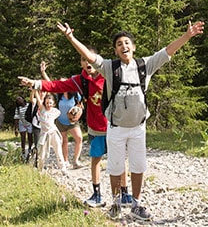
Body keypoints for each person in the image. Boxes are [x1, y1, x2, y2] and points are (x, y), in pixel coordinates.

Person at [57, 20, 204, 221]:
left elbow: (167, 51)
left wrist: (187, 36)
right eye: (119, 44)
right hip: (116, 128)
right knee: (115, 167)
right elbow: (91, 57)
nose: (123, 46)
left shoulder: (145, 65)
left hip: (138, 128)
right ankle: (116, 202)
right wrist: (70, 37)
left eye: (127, 43)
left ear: (133, 47)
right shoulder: (110, 67)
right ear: (116, 51)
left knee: (138, 166)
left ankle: (135, 203)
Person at [19, 51, 133, 209]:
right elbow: (56, 86)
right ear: (81, 63)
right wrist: (35, 83)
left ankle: (125, 193)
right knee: (96, 160)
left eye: (90, 60)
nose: (88, 64)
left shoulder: (109, 75)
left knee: (119, 160)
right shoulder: (81, 81)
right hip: (96, 128)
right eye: (83, 60)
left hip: (114, 125)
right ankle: (97, 193)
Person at [32, 87, 68, 175]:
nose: (48, 104)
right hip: (44, 134)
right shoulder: (42, 109)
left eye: (50, 103)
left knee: (58, 151)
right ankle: (40, 169)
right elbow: (38, 99)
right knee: (42, 153)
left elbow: (53, 92)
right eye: (47, 102)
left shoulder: (55, 111)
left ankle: (63, 168)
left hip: (53, 133)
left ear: (53, 104)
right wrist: (34, 90)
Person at [14, 96, 33, 161]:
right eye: (17, 100)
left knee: (30, 137)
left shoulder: (28, 105)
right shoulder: (18, 109)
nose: (19, 100)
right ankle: (23, 151)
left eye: (19, 99)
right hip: (22, 123)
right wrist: (16, 128)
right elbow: (16, 118)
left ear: (23, 99)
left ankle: (30, 149)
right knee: (23, 138)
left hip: (29, 123)